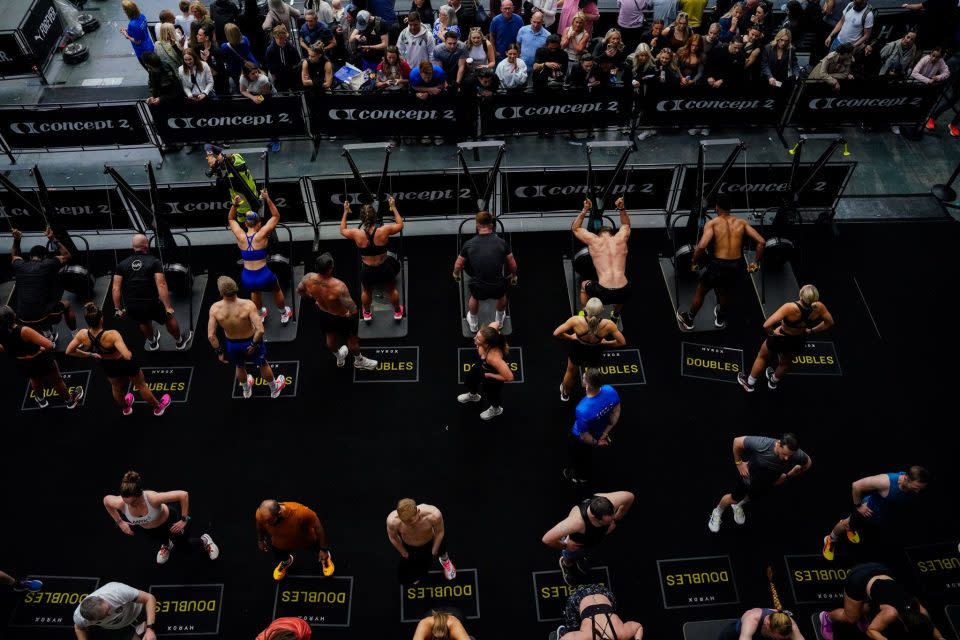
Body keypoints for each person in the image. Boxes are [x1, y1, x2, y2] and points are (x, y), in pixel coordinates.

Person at [676, 194, 765, 331]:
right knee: (724, 292)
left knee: (701, 292)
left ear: (716, 208)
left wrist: (694, 261)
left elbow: (701, 246)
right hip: (736, 265)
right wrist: (755, 263)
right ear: (730, 208)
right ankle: (720, 318)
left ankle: (689, 319)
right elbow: (761, 242)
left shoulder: (712, 223)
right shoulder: (741, 223)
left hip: (718, 265)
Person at [66, 303, 172, 417]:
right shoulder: (112, 335)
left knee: (116, 388)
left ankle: (126, 408)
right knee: (141, 385)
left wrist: (90, 354)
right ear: (101, 319)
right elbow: (127, 356)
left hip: (108, 366)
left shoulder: (82, 334)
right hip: (125, 364)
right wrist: (122, 354)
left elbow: (69, 351)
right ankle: (158, 408)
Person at [102, 470, 218, 564]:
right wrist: (120, 522)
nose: (129, 505)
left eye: (133, 502)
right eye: (126, 502)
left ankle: (205, 540)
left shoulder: (152, 498)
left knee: (185, 548)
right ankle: (167, 545)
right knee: (160, 539)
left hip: (169, 523)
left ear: (140, 495)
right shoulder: (120, 503)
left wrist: (184, 519)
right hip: (149, 529)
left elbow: (183, 495)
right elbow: (106, 501)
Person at [707, 433, 812, 533]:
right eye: (784, 454)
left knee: (753, 496)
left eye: (790, 455)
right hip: (749, 477)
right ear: (778, 444)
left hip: (768, 481)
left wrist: (789, 475)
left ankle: (738, 506)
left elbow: (808, 463)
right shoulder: (763, 443)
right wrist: (739, 463)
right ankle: (717, 511)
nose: (786, 458)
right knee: (734, 498)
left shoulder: (797, 454)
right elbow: (737, 441)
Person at [739, 284, 835, 392]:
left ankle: (750, 383)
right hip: (798, 340)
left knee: (762, 357)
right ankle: (773, 381)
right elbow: (829, 322)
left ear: (801, 295)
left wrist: (772, 333)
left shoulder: (789, 307)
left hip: (781, 337)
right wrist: (812, 330)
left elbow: (766, 325)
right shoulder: (819, 307)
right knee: (785, 363)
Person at [821, 466, 929, 561]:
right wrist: (859, 506)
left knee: (866, 531)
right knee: (847, 523)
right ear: (906, 479)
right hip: (868, 510)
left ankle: (851, 529)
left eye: (920, 489)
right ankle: (830, 539)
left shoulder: (911, 486)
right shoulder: (885, 481)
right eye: (916, 488)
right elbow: (856, 485)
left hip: (882, 514)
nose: (917, 492)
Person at [206, 276, 287, 399]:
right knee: (263, 364)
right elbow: (260, 330)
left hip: (232, 344)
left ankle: (246, 390)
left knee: (239, 365)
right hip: (251, 341)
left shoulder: (215, 309)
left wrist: (219, 352)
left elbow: (211, 336)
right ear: (236, 288)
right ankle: (274, 389)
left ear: (221, 292)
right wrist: (253, 345)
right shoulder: (248, 305)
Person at [819, 564, 945, 640]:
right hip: (859, 577)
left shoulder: (919, 608)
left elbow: (930, 625)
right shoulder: (891, 613)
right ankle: (827, 617)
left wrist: (940, 638)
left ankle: (862, 611)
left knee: (872, 607)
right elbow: (872, 630)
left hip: (881, 571)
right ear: (905, 625)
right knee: (851, 617)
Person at [297, 254, 378, 370]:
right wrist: (351, 314)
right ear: (330, 269)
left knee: (330, 340)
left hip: (324, 314)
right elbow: (353, 308)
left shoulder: (308, 277)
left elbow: (300, 290)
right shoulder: (339, 286)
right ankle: (359, 361)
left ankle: (339, 357)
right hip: (341, 316)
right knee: (352, 341)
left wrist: (313, 298)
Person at [113, 234, 191, 351]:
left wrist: (118, 309)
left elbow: (115, 288)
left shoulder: (122, 264)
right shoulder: (154, 262)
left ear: (133, 246)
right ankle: (180, 342)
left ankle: (152, 343)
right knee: (169, 319)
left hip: (132, 305)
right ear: (146, 245)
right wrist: (167, 307)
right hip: (151, 303)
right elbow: (161, 284)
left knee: (143, 321)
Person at [542, 492, 634, 586]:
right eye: (606, 522)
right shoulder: (576, 522)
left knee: (583, 552)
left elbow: (630, 496)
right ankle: (566, 563)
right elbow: (547, 539)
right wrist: (565, 546)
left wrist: (618, 516)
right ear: (594, 517)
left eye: (612, 517)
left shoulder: (612, 501)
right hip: (577, 542)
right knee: (571, 554)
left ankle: (579, 557)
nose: (610, 523)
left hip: (592, 540)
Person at [0, 305, 82, 410]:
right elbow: (50, 345)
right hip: (41, 359)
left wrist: (16, 353)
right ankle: (70, 401)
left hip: (22, 364)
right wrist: (41, 350)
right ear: (13, 316)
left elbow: (2, 348)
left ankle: (41, 400)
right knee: (57, 381)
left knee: (34, 379)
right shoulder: (24, 331)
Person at [228, 191, 293, 325]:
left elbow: (231, 219)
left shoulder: (240, 236)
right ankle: (283, 313)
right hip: (263, 274)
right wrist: (267, 198)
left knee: (255, 292)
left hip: (247, 277)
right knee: (276, 289)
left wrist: (234, 205)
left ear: (246, 224)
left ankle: (260, 314)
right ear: (259, 224)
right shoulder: (261, 234)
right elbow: (276, 216)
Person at [340, 197, 404, 321]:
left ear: (362, 219)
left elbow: (342, 230)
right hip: (384, 268)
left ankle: (367, 314)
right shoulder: (384, 230)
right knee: (391, 289)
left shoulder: (356, 233)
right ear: (375, 217)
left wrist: (345, 211)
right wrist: (393, 207)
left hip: (368, 270)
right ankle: (397, 312)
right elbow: (400, 225)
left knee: (367, 291)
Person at [452, 211, 518, 331]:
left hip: (479, 285)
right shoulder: (502, 243)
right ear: (492, 225)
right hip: (497, 284)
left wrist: (455, 274)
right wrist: (514, 276)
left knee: (474, 297)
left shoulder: (469, 244)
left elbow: (458, 264)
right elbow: (512, 264)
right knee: (502, 296)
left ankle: (473, 325)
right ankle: (499, 322)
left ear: (477, 225)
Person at [553, 297, 625, 402]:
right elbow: (622, 342)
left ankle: (565, 394)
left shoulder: (576, 320)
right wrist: (607, 343)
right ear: (602, 310)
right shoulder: (608, 324)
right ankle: (593, 395)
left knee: (571, 371)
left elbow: (556, 333)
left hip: (578, 348)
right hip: (595, 351)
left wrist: (571, 337)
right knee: (592, 374)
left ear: (586, 309)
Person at [572, 197, 631, 322]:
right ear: (613, 233)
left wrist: (585, 209)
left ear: (597, 234)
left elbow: (575, 228)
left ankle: (583, 315)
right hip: (624, 290)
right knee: (623, 293)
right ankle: (615, 315)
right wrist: (622, 208)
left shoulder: (594, 240)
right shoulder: (620, 239)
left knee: (583, 285)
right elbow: (626, 224)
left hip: (603, 291)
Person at [9, 227, 75, 339]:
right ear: (45, 257)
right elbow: (67, 256)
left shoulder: (19, 265)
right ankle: (75, 333)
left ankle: (47, 334)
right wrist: (53, 239)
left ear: (30, 257)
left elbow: (14, 255)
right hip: (43, 316)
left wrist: (17, 239)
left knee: (42, 301)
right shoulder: (48, 264)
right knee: (67, 304)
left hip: (22, 318)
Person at [564, 368, 622, 483]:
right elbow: (616, 413)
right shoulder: (610, 390)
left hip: (583, 439)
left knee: (581, 457)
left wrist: (597, 442)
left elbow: (584, 436)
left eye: (584, 377)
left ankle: (580, 477)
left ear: (587, 384)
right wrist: (605, 433)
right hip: (600, 432)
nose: (583, 377)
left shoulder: (582, 409)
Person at [256, 499, 335, 581]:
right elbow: (260, 525)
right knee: (280, 556)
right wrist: (260, 540)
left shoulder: (301, 513)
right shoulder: (261, 515)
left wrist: (323, 549)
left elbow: (318, 528)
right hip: (280, 542)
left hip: (305, 540)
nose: (266, 523)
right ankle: (287, 562)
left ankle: (325, 559)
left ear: (279, 513)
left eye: (269, 521)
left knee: (319, 551)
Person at [386, 498, 457, 584]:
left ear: (418, 511)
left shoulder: (433, 514)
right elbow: (393, 537)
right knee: (412, 572)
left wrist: (434, 549)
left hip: (430, 541)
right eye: (406, 522)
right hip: (410, 547)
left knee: (441, 549)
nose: (409, 525)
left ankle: (445, 561)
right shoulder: (393, 521)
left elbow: (440, 532)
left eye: (412, 521)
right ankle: (418, 573)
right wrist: (403, 552)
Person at [458, 321, 513, 419]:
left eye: (478, 338)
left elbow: (509, 377)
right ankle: (473, 396)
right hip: (481, 366)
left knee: (491, 394)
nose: (474, 338)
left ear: (487, 343)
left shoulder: (494, 358)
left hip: (491, 374)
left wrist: (491, 375)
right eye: (477, 335)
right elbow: (496, 323)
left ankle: (496, 409)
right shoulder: (489, 332)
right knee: (470, 380)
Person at [556, 584, 644, 640]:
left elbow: (638, 626)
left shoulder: (620, 633)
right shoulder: (588, 636)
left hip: (603, 592)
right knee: (573, 626)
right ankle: (563, 632)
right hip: (579, 596)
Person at [73, 582, 157, 640]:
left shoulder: (117, 591)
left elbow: (149, 598)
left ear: (100, 598)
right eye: (106, 615)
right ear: (92, 621)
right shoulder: (80, 618)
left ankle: (142, 625)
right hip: (118, 627)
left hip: (136, 612)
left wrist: (150, 629)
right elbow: (79, 628)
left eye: (108, 608)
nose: (111, 613)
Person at [718, 608, 804, 640]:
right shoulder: (752, 620)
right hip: (732, 636)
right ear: (767, 624)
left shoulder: (788, 623)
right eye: (777, 638)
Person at [264, 25, 301, 93]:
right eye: (277, 38)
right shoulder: (270, 50)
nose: (279, 40)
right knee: (282, 93)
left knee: (296, 92)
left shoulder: (291, 48)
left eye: (282, 38)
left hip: (291, 74)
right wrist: (273, 74)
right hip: (279, 76)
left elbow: (297, 61)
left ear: (285, 37)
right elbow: (269, 63)